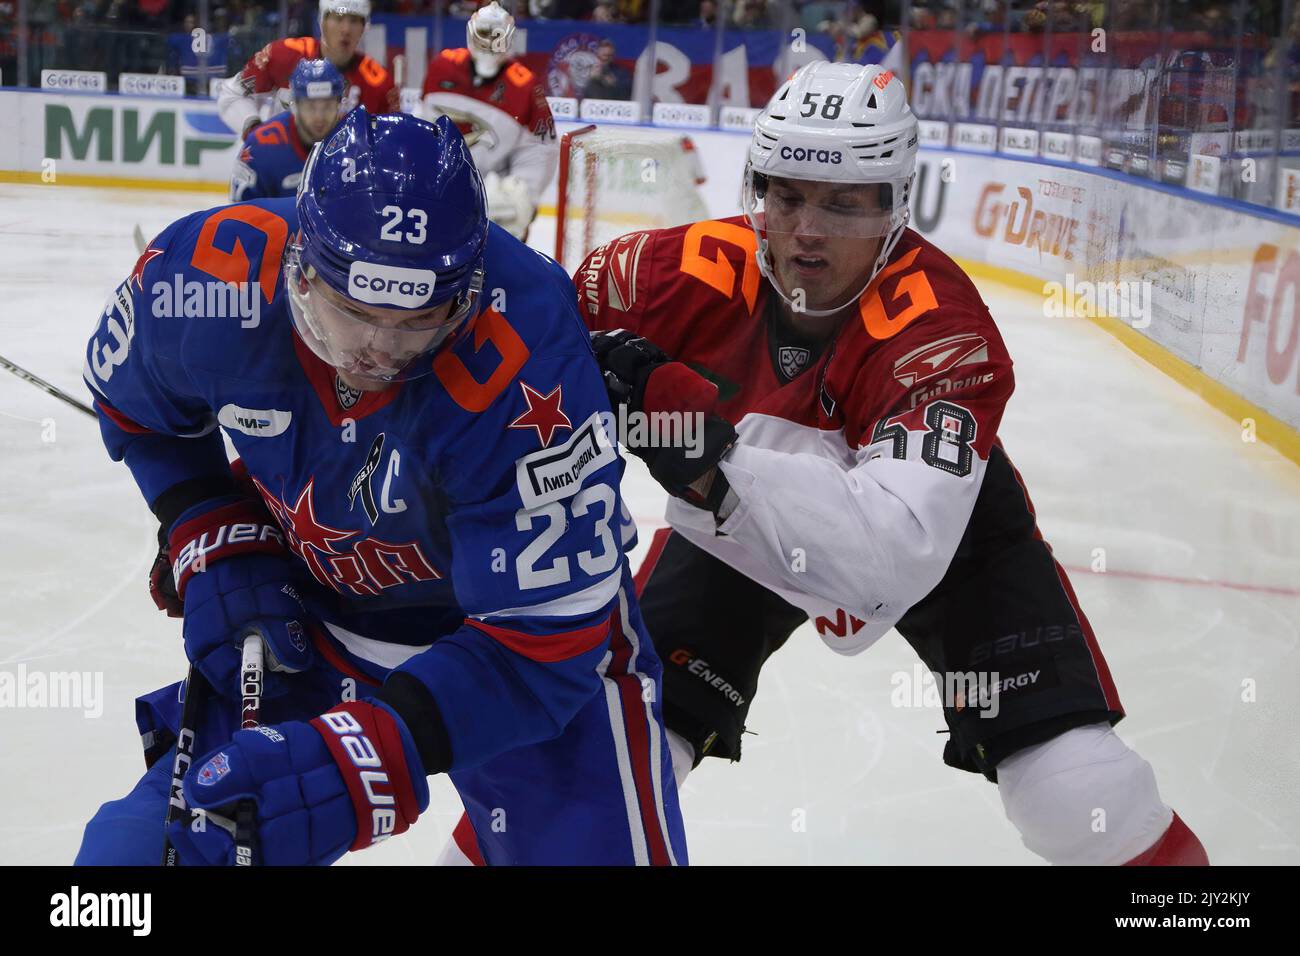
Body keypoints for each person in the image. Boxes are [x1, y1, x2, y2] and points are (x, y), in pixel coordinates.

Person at [449, 61, 1211, 865]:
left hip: (943, 540)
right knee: (584, 769)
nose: (807, 228)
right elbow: (516, 340)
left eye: (843, 203)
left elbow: (888, 554)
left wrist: (710, 460)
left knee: (1078, 793)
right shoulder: (673, 274)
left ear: (894, 205)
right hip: (735, 532)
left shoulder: (944, 334)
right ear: (759, 192)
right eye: (788, 196)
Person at [76, 108, 686, 867]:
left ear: (463, 292)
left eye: (416, 321)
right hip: (310, 616)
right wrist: (207, 527)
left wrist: (370, 754)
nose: (375, 352)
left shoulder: (532, 345)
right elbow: (137, 411)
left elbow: (546, 635)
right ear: (302, 264)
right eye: (352, 312)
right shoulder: (210, 276)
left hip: (510, 648)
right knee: (135, 863)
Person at [421, 1, 557, 240]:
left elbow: (540, 149)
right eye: (484, 34)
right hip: (436, 197)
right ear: (470, 32)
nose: (489, 41)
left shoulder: (524, 85)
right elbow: (421, 127)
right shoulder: (442, 67)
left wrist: (522, 195)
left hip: (490, 206)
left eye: (496, 35)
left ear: (509, 37)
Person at [217, 0, 398, 141]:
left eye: (354, 20)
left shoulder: (379, 83)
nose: (345, 29)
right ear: (322, 21)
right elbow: (230, 95)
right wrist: (254, 130)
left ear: (364, 28)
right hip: (284, 172)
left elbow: (391, 140)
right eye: (338, 18)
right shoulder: (283, 55)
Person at [230, 59, 345, 202]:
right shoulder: (260, 147)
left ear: (339, 105)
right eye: (310, 106)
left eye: (327, 106)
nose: (319, 117)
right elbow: (241, 215)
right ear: (295, 105)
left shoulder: (356, 140)